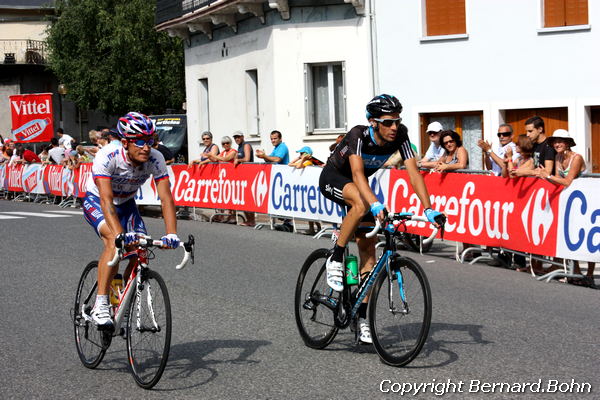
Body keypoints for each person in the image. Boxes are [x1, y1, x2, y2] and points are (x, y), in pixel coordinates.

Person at [319, 94, 444, 344]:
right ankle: (335, 256)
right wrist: (375, 204)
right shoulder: (358, 135)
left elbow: (414, 175)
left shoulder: (401, 135)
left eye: (397, 121)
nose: (394, 127)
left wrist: (429, 209)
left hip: (360, 187)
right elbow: (356, 173)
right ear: (373, 122)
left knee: (369, 259)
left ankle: (362, 319)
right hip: (334, 178)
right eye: (388, 122)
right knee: (362, 203)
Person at [82, 112, 180, 329]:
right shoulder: (108, 156)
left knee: (140, 249)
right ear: (125, 142)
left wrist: (171, 233)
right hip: (98, 200)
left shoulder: (156, 158)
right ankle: (101, 304)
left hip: (126, 203)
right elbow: (106, 201)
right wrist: (119, 235)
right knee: (113, 241)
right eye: (141, 142)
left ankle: (123, 298)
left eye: (151, 141)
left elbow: (166, 198)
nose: (147, 147)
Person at [535, 129, 595, 287]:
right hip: (570, 201)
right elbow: (558, 180)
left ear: (568, 143)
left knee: (585, 236)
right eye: (555, 141)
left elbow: (567, 181)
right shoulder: (558, 156)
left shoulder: (577, 158)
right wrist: (543, 176)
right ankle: (575, 271)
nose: (557, 144)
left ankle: (589, 275)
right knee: (570, 235)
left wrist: (546, 176)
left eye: (560, 141)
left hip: (586, 200)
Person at [231, 131, 256, 226]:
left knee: (248, 198)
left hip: (249, 174)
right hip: (242, 175)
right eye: (235, 137)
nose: (236, 139)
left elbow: (247, 159)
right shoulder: (239, 147)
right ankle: (248, 220)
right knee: (243, 198)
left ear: (242, 137)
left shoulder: (246, 145)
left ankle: (252, 220)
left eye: (238, 137)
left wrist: (238, 160)